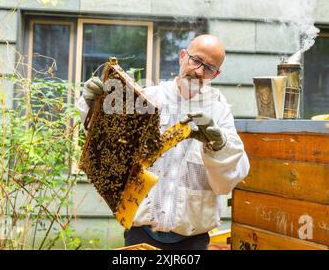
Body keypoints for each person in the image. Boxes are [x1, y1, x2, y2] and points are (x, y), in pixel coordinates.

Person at [77, 34, 250, 250]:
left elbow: (229, 180)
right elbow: (105, 138)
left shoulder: (219, 111)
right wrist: (93, 104)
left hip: (192, 242)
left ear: (216, 74)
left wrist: (220, 145)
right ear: (182, 56)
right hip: (140, 234)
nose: (198, 71)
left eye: (209, 68)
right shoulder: (148, 98)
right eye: (196, 60)